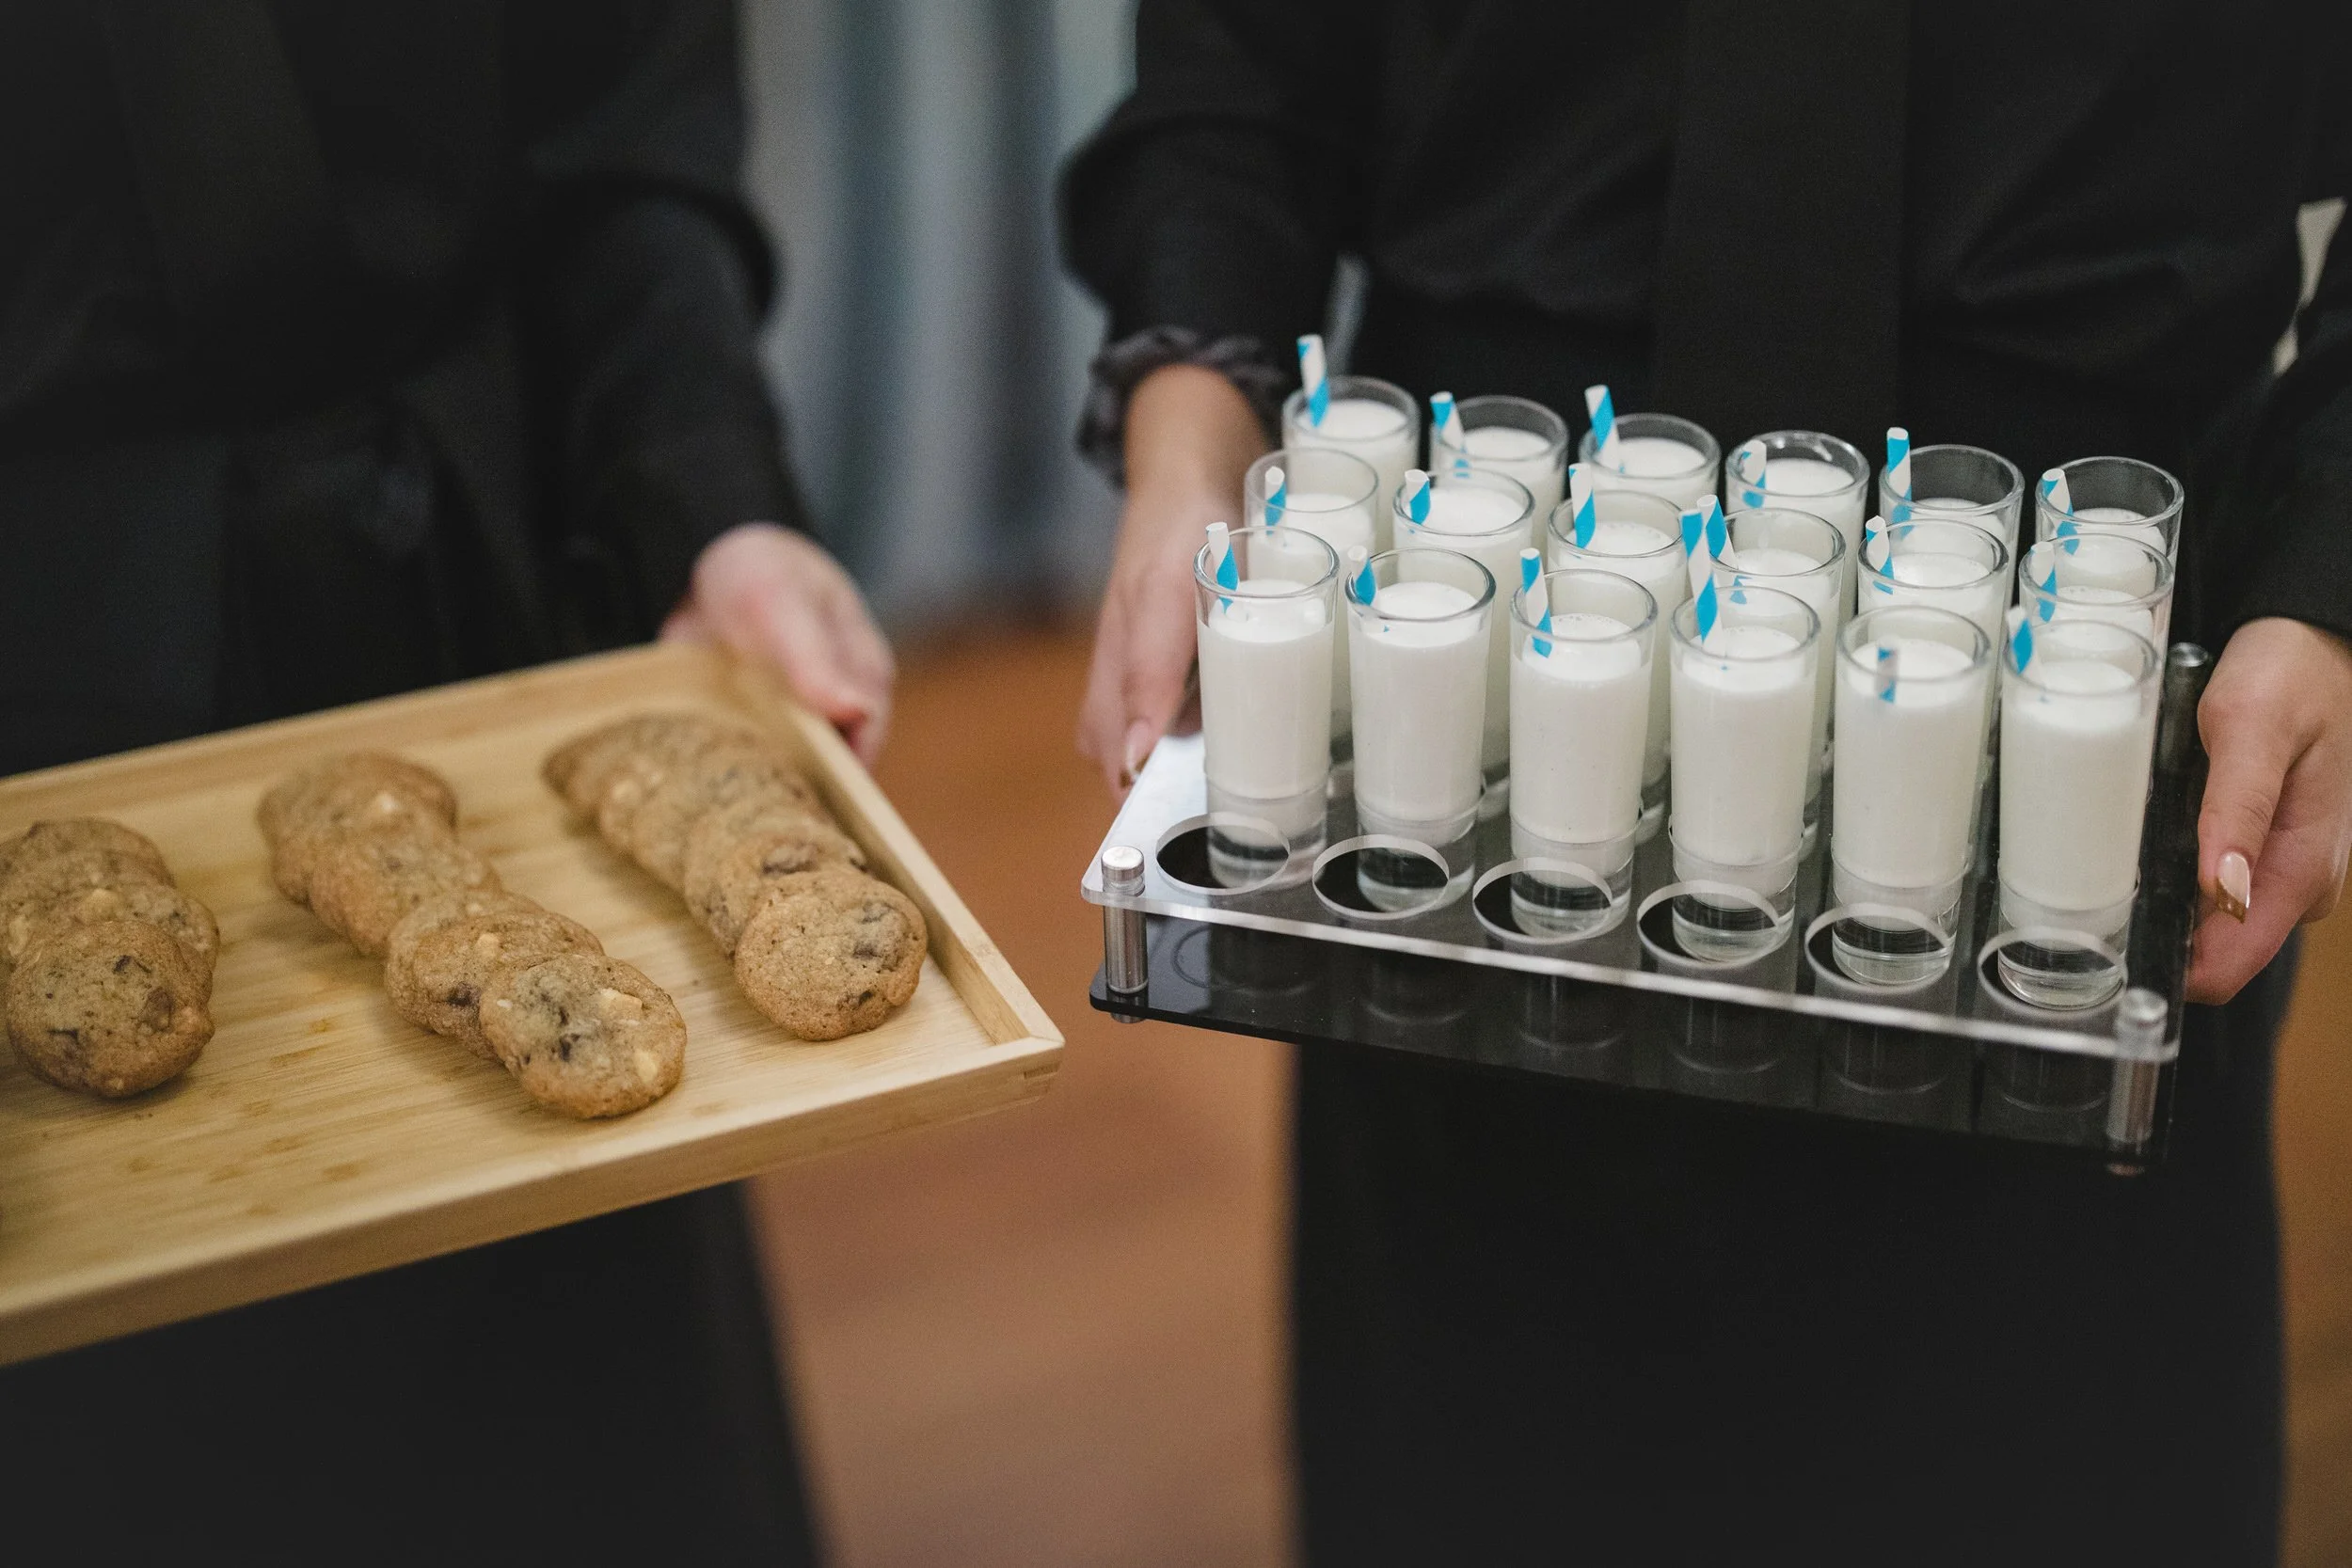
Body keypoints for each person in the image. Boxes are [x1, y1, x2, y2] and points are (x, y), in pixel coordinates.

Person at [1062, 5, 2352, 1563]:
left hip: (2081, 675)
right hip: (1477, 702)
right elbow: (1234, 65)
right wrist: (1189, 434)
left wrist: (2330, 578)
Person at [0, 3, 876, 1560]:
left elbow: (630, 139)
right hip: (36, 647)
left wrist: (709, 492)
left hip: (485, 581)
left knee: (597, 1417)